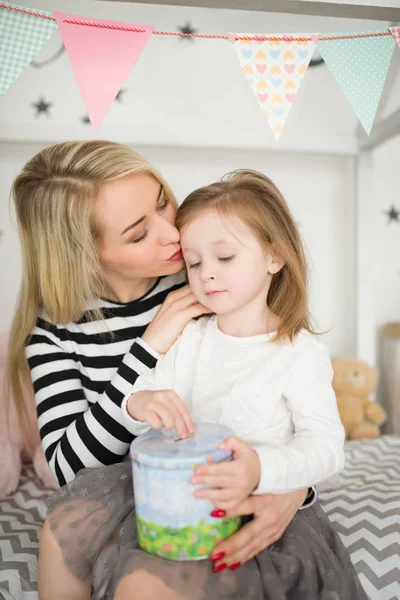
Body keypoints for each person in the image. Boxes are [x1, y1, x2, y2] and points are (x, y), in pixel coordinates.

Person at [37, 165, 367, 599]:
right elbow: (145, 399)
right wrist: (138, 404)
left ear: (274, 255)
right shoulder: (190, 335)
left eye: (224, 258)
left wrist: (262, 472)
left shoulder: (298, 352)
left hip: (250, 502)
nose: (205, 273)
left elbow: (324, 448)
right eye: (194, 263)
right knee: (67, 530)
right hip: (176, 496)